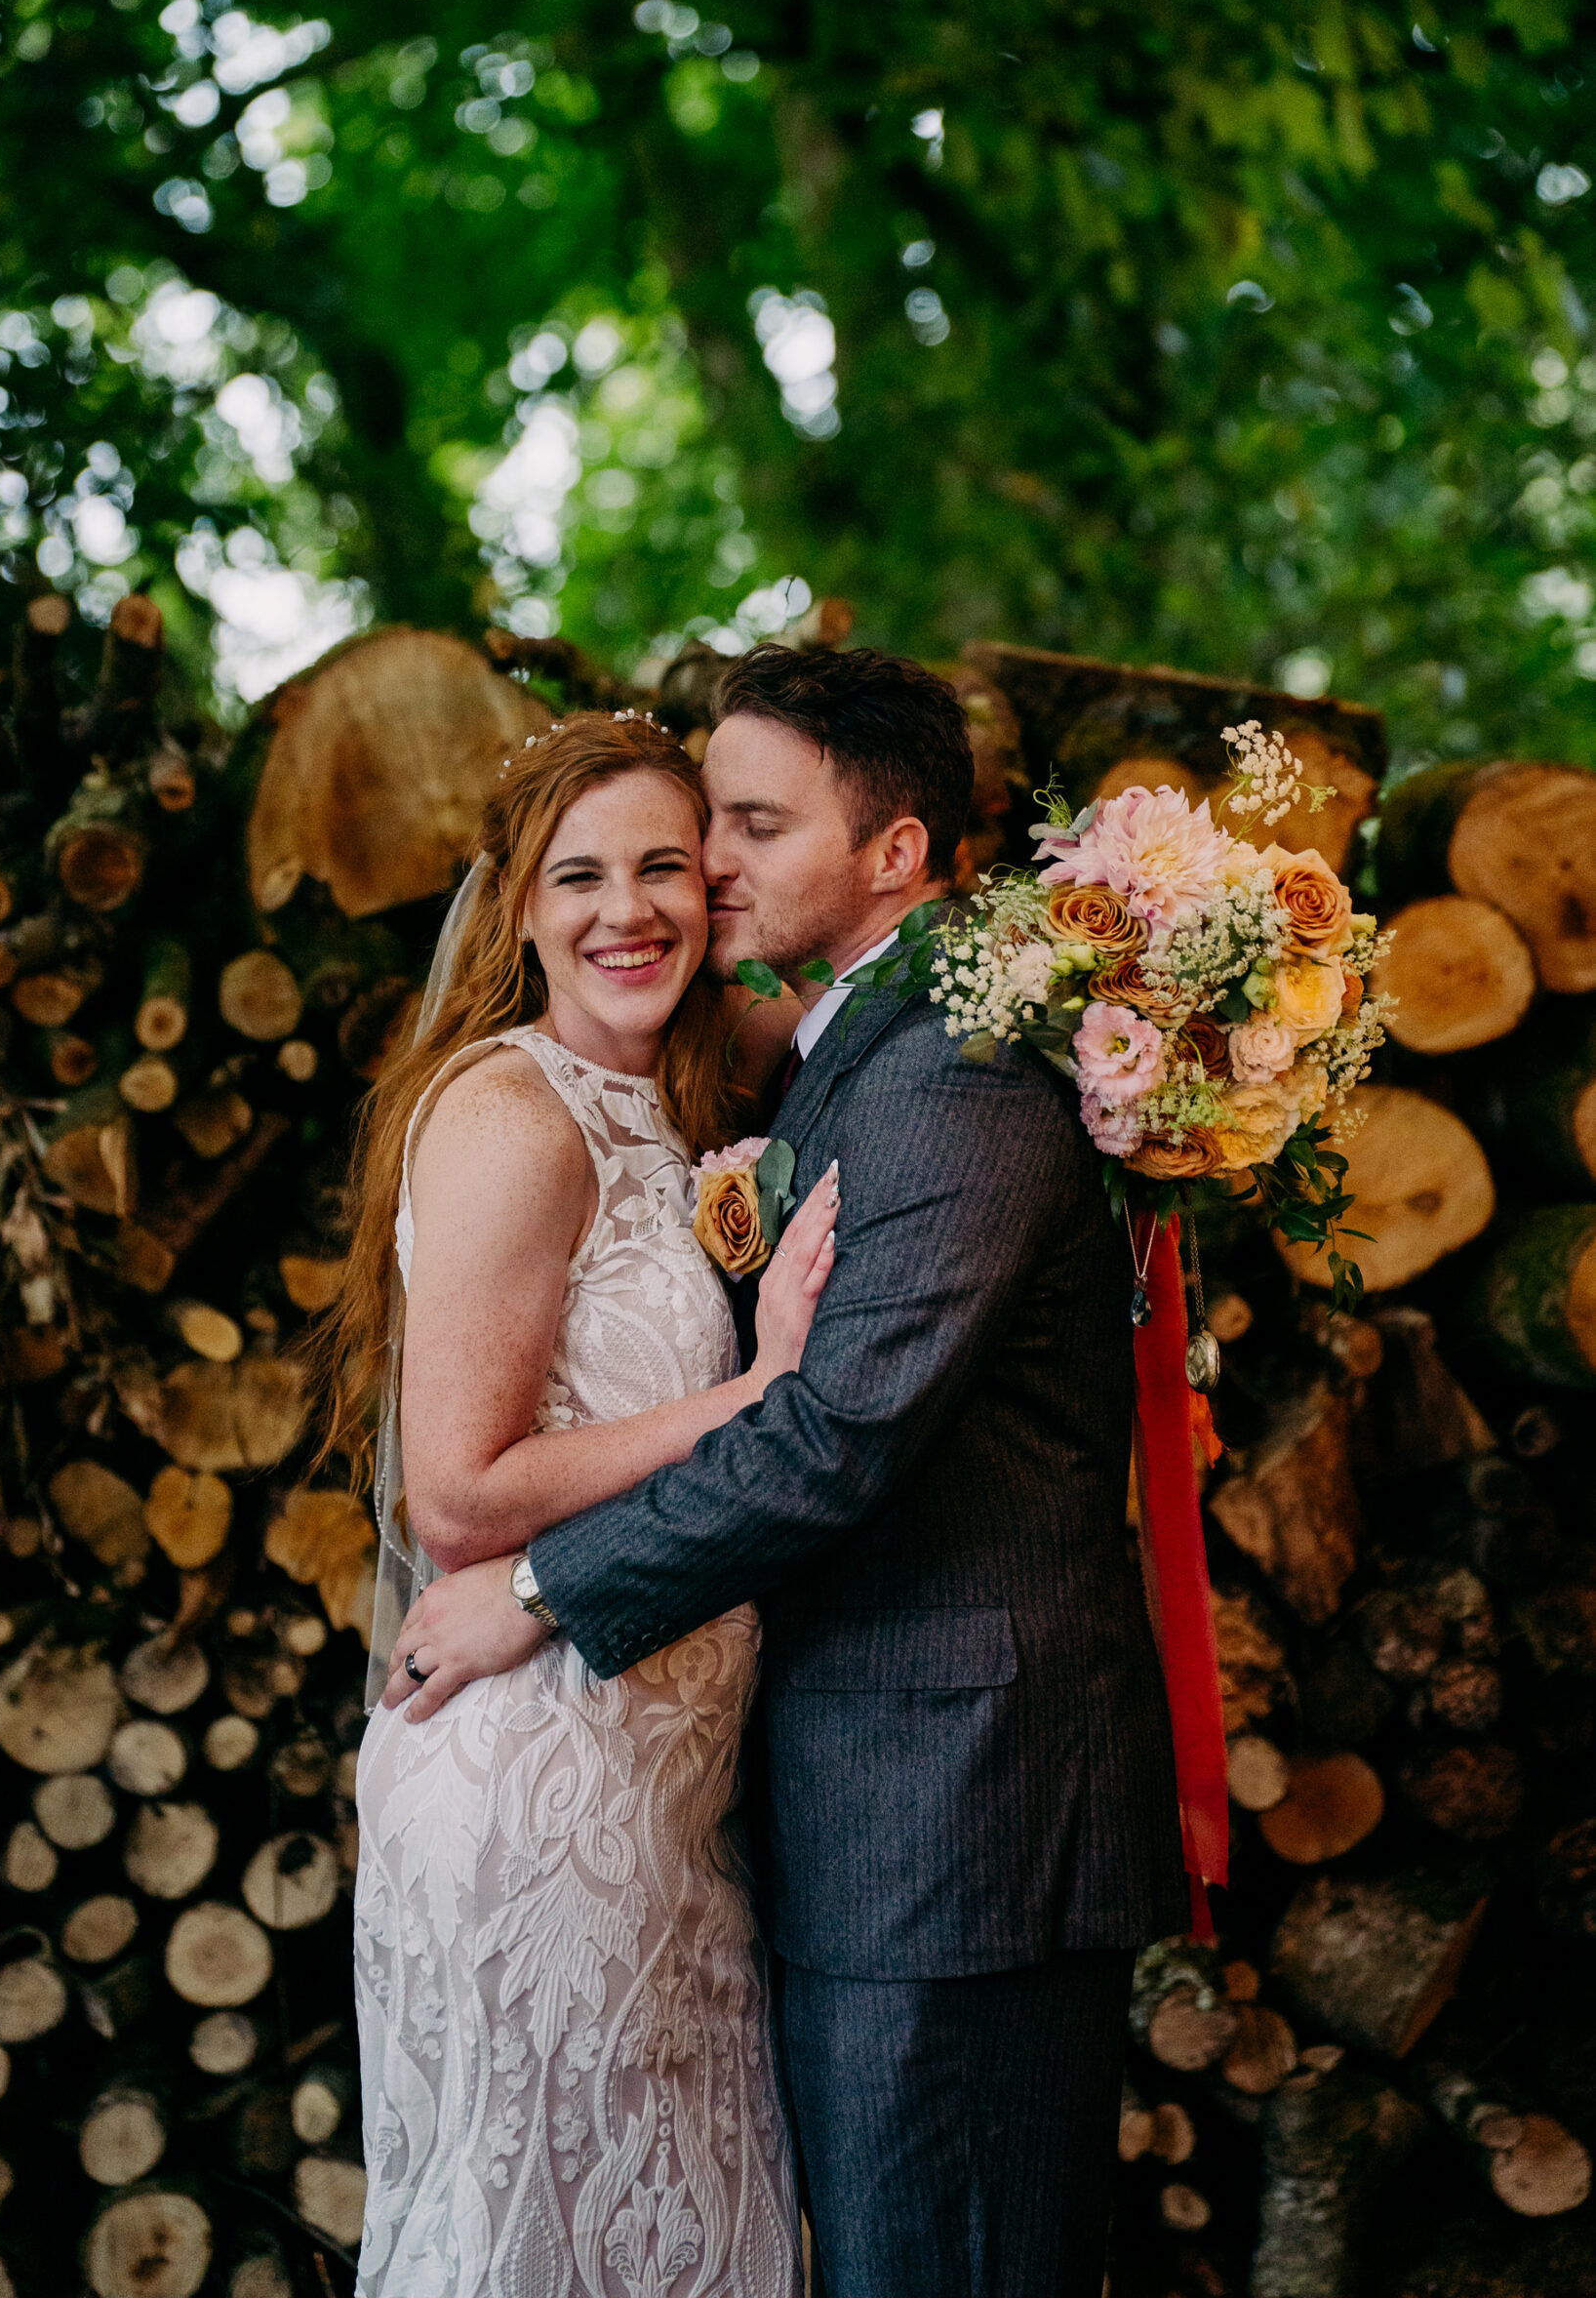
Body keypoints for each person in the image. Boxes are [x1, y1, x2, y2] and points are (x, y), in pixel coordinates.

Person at [386, 645, 1190, 2298]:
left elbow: (838, 1432)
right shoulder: (829, 1056)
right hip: (830, 1808)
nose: (710, 868)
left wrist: (541, 1590)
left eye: (746, 827)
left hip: (955, 1820)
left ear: (895, 851)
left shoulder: (949, 1077)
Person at [325, 710, 837, 2297]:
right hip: (532, 1776)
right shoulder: (513, 1116)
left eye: (667, 868)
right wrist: (755, 1395)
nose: (629, 911)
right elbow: (461, 1494)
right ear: (520, 909)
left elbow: (838, 986)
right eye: (581, 877)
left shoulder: (669, 1099)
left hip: (661, 1787)